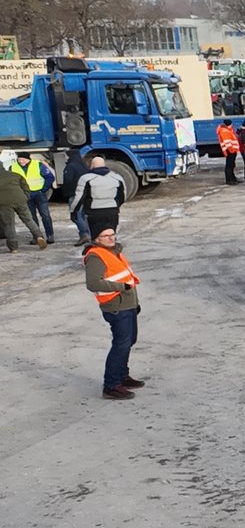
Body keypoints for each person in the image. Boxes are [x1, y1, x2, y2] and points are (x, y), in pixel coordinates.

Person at [82, 226, 144, 400]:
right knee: (121, 343)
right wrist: (121, 287)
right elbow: (93, 283)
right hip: (116, 305)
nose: (111, 238)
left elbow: (125, 276)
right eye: (105, 236)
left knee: (129, 340)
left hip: (127, 303)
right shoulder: (96, 256)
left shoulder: (114, 251)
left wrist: (134, 302)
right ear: (97, 239)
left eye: (112, 234)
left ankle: (122, 375)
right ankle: (111, 385)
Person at [71, 157, 126, 237]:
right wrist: (116, 205)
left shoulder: (86, 178)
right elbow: (123, 196)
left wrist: (73, 211)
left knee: (96, 237)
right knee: (111, 236)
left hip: (93, 212)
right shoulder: (117, 177)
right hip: (112, 211)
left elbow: (79, 198)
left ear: (92, 165)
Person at [11, 150, 56, 246]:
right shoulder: (13, 167)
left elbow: (50, 177)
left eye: (22, 159)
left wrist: (43, 189)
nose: (21, 161)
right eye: (19, 159)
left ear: (28, 159)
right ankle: (37, 237)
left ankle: (50, 236)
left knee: (45, 215)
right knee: (31, 217)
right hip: (25, 195)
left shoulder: (38, 165)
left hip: (39, 193)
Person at [0, 149, 42, 252]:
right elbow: (26, 187)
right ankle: (39, 236)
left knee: (9, 224)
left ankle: (13, 248)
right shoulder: (15, 175)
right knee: (28, 219)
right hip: (20, 200)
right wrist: (25, 197)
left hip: (4, 203)